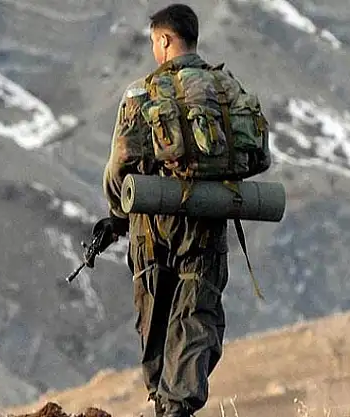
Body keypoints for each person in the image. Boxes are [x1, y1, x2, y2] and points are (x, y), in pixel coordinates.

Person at [92, 4, 231, 417]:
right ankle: (177, 405)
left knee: (155, 319)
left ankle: (164, 403)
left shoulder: (142, 94)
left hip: (153, 228)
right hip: (206, 224)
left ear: (166, 40)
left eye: (155, 41)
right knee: (197, 318)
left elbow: (119, 165)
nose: (154, 50)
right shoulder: (226, 90)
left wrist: (117, 215)